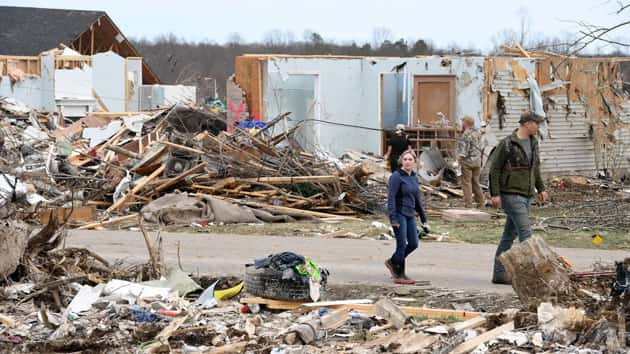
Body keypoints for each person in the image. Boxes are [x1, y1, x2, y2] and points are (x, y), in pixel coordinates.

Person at [489, 112, 548, 284]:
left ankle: (499, 274)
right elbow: (495, 169)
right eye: (536, 123)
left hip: (527, 194)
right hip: (511, 194)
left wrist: (541, 188)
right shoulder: (507, 143)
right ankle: (530, 276)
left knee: (508, 235)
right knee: (526, 234)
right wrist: (495, 193)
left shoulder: (533, 142)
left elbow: (535, 168)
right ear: (527, 124)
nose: (538, 127)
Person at [385, 150, 429, 284]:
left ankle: (393, 262)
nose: (408, 162)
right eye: (405, 159)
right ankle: (400, 274)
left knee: (414, 243)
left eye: (410, 159)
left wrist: (423, 217)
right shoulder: (396, 176)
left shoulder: (414, 177)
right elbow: (391, 198)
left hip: (410, 214)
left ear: (414, 162)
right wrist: (393, 218)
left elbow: (417, 198)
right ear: (401, 161)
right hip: (399, 214)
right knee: (402, 245)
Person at [457, 116, 485, 208]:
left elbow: (464, 151)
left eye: (463, 121)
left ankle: (468, 204)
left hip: (468, 162)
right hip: (477, 161)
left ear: (466, 123)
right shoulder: (478, 132)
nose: (462, 123)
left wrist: (458, 159)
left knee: (466, 183)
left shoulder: (466, 134)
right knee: (476, 182)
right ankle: (481, 202)